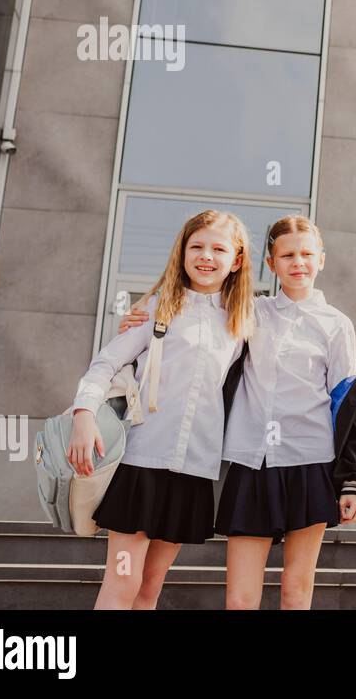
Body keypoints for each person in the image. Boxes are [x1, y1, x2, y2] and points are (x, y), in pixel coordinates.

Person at [117, 214, 356, 610]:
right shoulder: (247, 313)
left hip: (310, 462)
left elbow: (346, 407)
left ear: (321, 259)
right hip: (250, 463)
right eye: (287, 255)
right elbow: (195, 316)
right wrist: (141, 316)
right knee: (239, 598)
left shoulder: (337, 325)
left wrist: (354, 480)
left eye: (307, 254)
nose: (298, 263)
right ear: (271, 265)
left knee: (296, 590)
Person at [67, 210, 255, 609]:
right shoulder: (157, 308)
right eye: (197, 246)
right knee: (122, 582)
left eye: (219, 248)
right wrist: (83, 415)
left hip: (193, 469)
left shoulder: (243, 322)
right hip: (141, 463)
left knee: (150, 588)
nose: (206, 256)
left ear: (236, 260)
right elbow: (105, 364)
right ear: (182, 252)